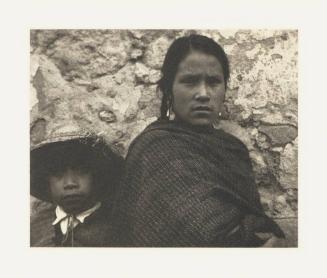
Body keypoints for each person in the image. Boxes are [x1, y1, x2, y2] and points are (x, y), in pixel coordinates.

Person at [111, 34, 285, 247]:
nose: (203, 94)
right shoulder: (153, 150)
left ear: (224, 89)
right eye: (190, 81)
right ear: (168, 89)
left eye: (213, 82)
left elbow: (255, 223)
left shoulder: (233, 150)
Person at [30, 127, 124, 247]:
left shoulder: (116, 229)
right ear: (47, 181)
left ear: (96, 176)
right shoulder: (36, 227)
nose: (70, 183)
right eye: (58, 173)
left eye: (81, 171)